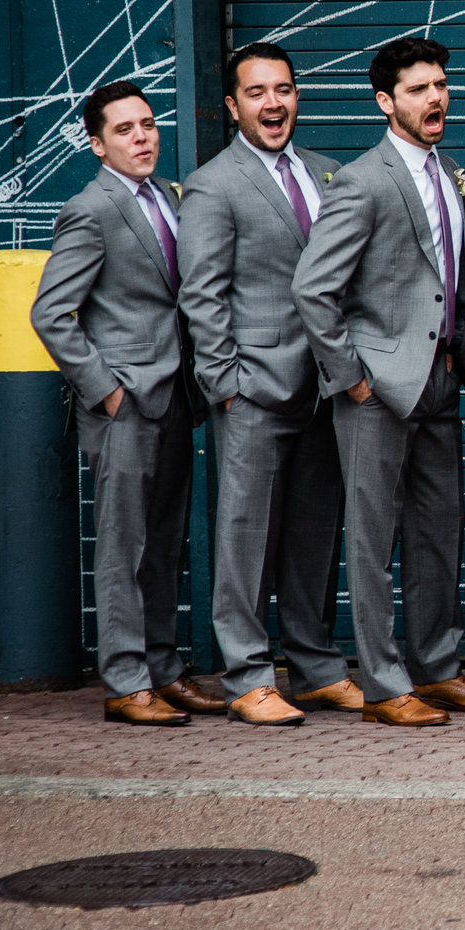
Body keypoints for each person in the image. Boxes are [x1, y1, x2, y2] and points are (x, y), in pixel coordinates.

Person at [292, 36, 465, 727]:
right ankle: (383, 682)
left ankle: (436, 667)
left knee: (442, 532)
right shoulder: (363, 180)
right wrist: (353, 378)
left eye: (440, 84)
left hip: (440, 380)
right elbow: (314, 289)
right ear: (386, 102)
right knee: (371, 540)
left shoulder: (447, 173)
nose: (436, 97)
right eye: (418, 89)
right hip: (377, 390)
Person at [176, 42, 350, 724]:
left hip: (322, 389)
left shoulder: (330, 175)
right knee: (245, 536)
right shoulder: (214, 185)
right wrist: (225, 383)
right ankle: (247, 673)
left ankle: (314, 667)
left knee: (315, 534)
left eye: (283, 89)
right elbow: (202, 294)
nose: (274, 103)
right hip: (252, 388)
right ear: (233, 106)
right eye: (257, 92)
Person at [30, 80, 213, 726]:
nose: (143, 137)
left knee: (164, 544)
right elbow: (51, 313)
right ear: (97, 142)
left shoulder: (169, 198)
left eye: (148, 124)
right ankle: (126, 679)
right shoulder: (91, 208)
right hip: (126, 402)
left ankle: (162, 667)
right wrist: (105, 389)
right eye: (126, 129)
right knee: (123, 545)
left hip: (174, 396)